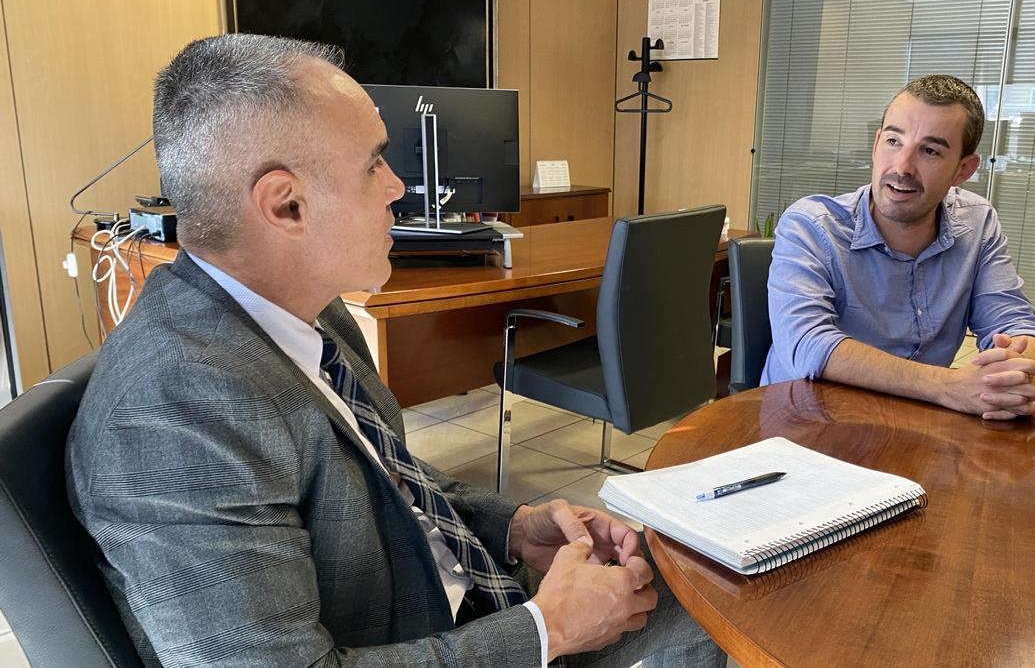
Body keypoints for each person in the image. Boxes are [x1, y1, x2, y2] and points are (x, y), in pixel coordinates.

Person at [65, 34, 722, 667]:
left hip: (477, 596)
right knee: (713, 586)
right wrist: (545, 631)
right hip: (461, 636)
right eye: (374, 163)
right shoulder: (174, 412)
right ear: (286, 204)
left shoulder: (309, 311)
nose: (398, 187)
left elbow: (398, 482)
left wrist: (516, 526)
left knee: (706, 564)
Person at [761, 74, 1035, 420]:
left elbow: (1016, 322)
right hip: (806, 427)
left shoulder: (977, 222)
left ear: (963, 170)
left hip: (912, 425)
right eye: (894, 141)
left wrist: (1016, 373)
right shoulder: (811, 224)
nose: (902, 167)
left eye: (930, 151)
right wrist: (948, 386)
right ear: (875, 145)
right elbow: (808, 345)